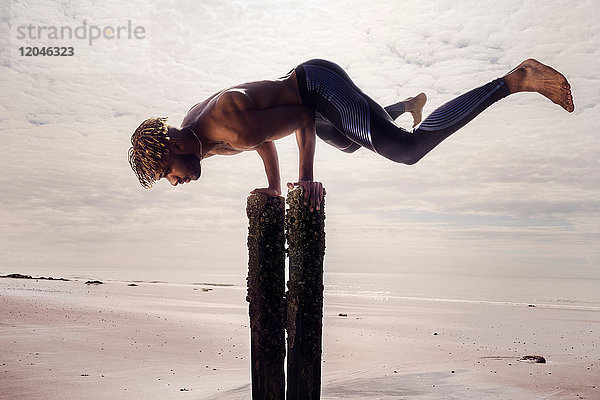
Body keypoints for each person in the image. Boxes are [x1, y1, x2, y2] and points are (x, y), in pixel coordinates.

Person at [128, 58, 574, 211]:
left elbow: (299, 122)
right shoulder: (198, 134)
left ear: (177, 146)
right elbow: (264, 138)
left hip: (319, 88)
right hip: (304, 97)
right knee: (347, 141)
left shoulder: (227, 127)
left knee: (404, 150)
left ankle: (515, 80)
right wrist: (272, 186)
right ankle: (404, 107)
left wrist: (301, 181)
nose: (175, 182)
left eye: (169, 173)